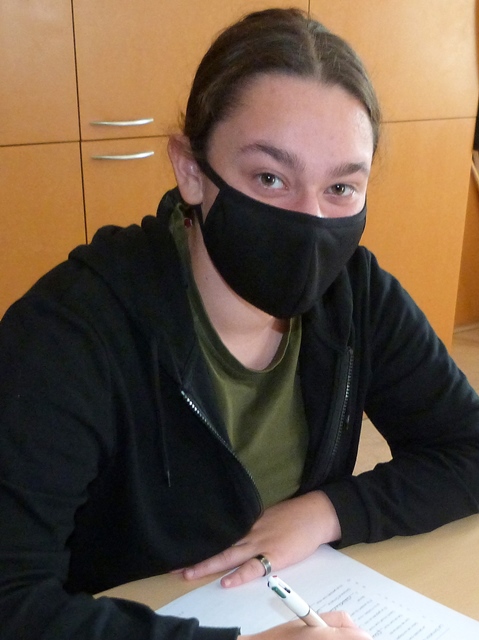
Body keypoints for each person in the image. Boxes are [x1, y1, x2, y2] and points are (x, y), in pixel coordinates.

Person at [0, 7, 478, 640]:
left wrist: (329, 510)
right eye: (270, 177)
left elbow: (468, 446)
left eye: (341, 188)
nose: (310, 222)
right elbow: (11, 599)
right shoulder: (70, 330)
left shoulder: (356, 296)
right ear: (191, 170)